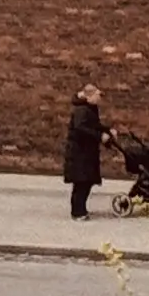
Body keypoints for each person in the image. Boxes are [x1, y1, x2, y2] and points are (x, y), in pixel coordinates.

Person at [63, 84, 106, 221]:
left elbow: (94, 125)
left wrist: (107, 131)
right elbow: (81, 128)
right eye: (98, 96)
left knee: (86, 181)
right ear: (90, 96)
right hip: (79, 153)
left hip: (86, 152)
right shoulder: (81, 110)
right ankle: (77, 211)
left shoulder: (90, 109)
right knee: (81, 182)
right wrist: (99, 136)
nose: (100, 99)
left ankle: (81, 209)